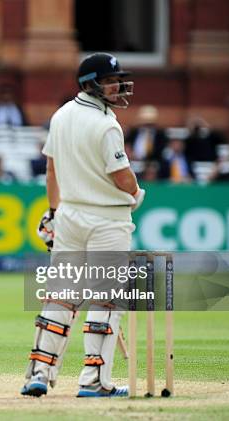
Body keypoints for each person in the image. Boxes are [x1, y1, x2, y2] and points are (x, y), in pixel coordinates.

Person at [21, 53, 144, 398]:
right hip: (107, 219)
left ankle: (39, 373)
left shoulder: (61, 116)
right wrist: (137, 192)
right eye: (110, 81)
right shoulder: (107, 125)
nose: (118, 86)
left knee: (61, 298)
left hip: (70, 216)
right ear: (92, 83)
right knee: (105, 301)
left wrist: (54, 212)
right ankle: (94, 382)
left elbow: (52, 170)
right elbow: (121, 176)